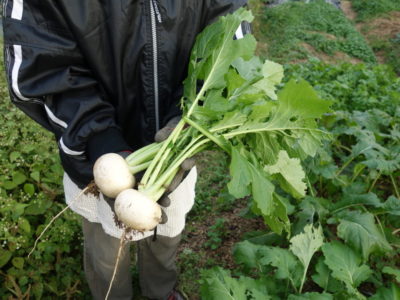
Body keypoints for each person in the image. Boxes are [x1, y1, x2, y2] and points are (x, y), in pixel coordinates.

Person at [3, 1, 250, 299]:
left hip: (175, 152)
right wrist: (99, 140)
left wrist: (188, 120)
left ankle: (160, 291)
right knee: (105, 250)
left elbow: (231, 38)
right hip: (94, 158)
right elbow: (41, 60)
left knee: (167, 234)